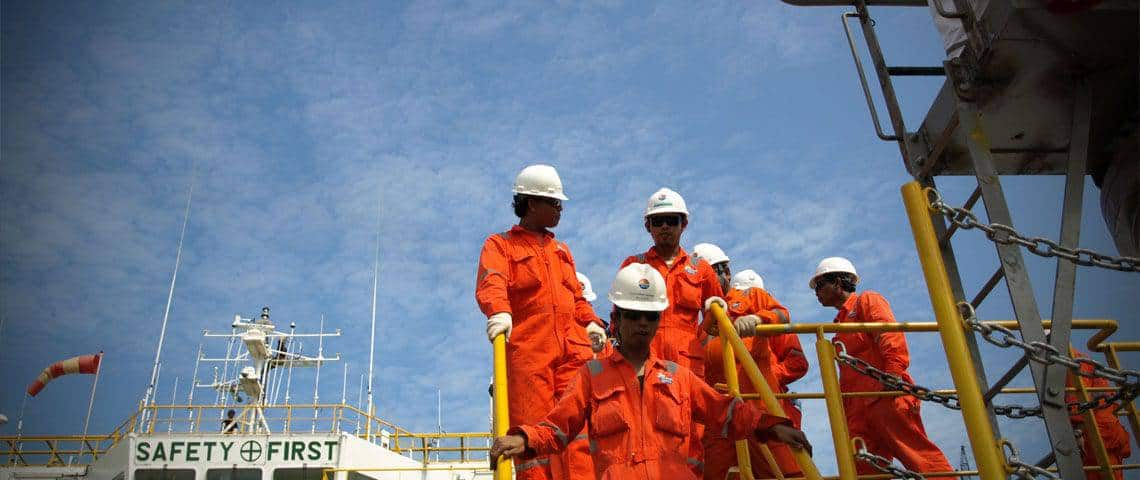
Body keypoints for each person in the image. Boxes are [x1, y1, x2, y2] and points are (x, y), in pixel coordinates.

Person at [489, 263, 811, 480]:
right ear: (617, 319)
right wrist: (522, 438)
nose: (642, 323)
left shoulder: (679, 377)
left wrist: (774, 427)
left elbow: (725, 412)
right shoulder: (592, 376)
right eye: (634, 315)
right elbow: (558, 426)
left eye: (650, 316)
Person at [476, 165, 606, 480]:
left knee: (577, 433)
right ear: (531, 203)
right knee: (532, 438)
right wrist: (499, 311)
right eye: (555, 203)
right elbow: (492, 280)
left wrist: (589, 322)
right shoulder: (501, 245)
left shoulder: (562, 250)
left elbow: (576, 296)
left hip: (573, 352)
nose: (560, 210)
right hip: (530, 354)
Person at [811, 257, 954, 479]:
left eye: (820, 286)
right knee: (865, 472)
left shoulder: (867, 301)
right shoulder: (838, 325)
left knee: (919, 458)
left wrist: (895, 374)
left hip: (885, 396)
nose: (816, 293)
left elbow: (890, 335)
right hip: (858, 411)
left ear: (838, 282)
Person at [619, 189, 725, 473]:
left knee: (690, 434)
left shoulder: (701, 269)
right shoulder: (633, 266)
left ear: (684, 224)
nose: (665, 226)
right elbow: (619, 316)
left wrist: (718, 307)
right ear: (648, 227)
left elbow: (717, 319)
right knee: (641, 429)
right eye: (658, 221)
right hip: (643, 361)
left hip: (688, 365)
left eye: (671, 220)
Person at [691, 245, 800, 479]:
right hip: (722, 422)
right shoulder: (702, 328)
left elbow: (782, 315)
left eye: (722, 271)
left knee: (785, 474)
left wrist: (758, 318)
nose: (721, 277)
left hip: (760, 409)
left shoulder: (750, 296)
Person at [1067, 348, 1132, 480]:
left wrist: (1078, 431)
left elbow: (1078, 397)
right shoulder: (1078, 358)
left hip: (1096, 434)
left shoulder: (1071, 361)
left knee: (1100, 472)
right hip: (1104, 432)